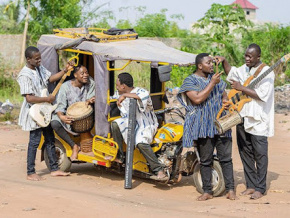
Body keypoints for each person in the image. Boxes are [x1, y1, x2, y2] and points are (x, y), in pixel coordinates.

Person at [216, 43, 275, 200]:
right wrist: (224, 61)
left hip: (258, 120)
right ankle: (250, 185)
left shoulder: (267, 72)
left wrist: (242, 88)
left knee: (260, 154)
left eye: (250, 56)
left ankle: (260, 188)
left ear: (258, 57)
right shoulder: (245, 68)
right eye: (246, 55)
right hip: (242, 116)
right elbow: (232, 74)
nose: (246, 58)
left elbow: (262, 95)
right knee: (245, 152)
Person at [177, 53, 237, 201]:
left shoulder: (215, 78)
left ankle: (230, 189)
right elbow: (197, 99)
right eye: (208, 63)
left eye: (212, 62)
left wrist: (224, 100)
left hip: (221, 125)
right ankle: (207, 191)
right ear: (199, 66)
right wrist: (212, 84)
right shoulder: (190, 81)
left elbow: (224, 94)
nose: (211, 65)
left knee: (226, 159)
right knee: (205, 160)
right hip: (203, 126)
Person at [17, 46, 71, 181]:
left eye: (40, 57)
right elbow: (29, 98)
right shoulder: (24, 75)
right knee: (34, 142)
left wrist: (64, 70)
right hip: (34, 112)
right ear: (28, 59)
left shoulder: (39, 68)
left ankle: (54, 169)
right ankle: (30, 172)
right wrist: (47, 99)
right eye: (36, 59)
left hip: (45, 110)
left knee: (50, 139)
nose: (39, 60)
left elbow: (51, 78)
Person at [111, 72, 167, 181]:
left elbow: (141, 97)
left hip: (145, 123)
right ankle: (120, 156)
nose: (116, 87)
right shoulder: (119, 93)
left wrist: (125, 95)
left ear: (123, 86)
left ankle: (158, 170)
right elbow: (110, 98)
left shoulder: (141, 91)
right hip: (129, 121)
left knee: (140, 142)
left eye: (117, 85)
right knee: (115, 124)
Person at [51, 65, 95, 161]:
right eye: (82, 73)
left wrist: (91, 100)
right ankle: (74, 145)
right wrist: (62, 116)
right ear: (75, 75)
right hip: (69, 118)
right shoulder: (65, 87)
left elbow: (92, 96)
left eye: (86, 72)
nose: (85, 75)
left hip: (86, 117)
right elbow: (60, 106)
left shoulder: (91, 83)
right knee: (54, 122)